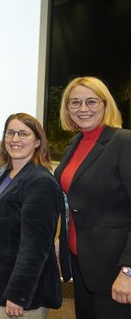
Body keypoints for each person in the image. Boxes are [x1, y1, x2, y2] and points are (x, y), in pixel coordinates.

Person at [54, 76, 131, 318]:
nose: (83, 109)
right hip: (82, 263)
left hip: (115, 268)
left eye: (91, 101)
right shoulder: (74, 145)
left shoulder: (123, 142)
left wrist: (128, 271)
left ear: (105, 104)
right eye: (75, 102)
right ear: (67, 109)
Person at [0, 113, 66, 319]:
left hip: (21, 293)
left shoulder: (40, 181)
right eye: (10, 133)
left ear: (37, 141)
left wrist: (19, 293)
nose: (15, 139)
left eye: (23, 134)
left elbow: (35, 246)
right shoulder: (10, 174)